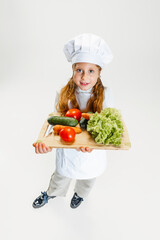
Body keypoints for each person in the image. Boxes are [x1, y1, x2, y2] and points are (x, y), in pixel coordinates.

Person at [32, 33, 114, 209]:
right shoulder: (63, 93)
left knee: (89, 178)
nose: (84, 77)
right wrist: (45, 142)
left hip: (93, 149)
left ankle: (80, 195)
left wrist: (93, 143)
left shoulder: (105, 95)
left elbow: (108, 123)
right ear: (73, 71)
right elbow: (55, 121)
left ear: (99, 72)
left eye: (91, 71)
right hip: (68, 146)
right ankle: (51, 193)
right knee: (61, 175)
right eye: (79, 70)